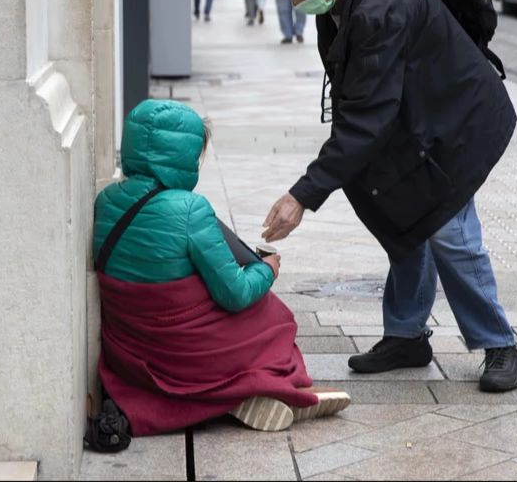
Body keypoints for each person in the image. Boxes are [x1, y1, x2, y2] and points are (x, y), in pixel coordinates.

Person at [261, 0, 517, 393]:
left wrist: (302, 196)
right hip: (415, 112)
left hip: (453, 121)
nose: (297, 7)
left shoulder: (379, 6)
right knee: (406, 221)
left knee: (449, 229)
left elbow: (366, 118)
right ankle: (406, 335)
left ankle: (501, 343)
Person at [93, 99, 350, 436]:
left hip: (133, 348)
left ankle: (235, 395)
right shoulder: (190, 208)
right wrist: (267, 269)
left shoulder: (106, 200)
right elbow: (235, 294)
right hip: (181, 352)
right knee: (274, 317)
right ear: (182, 157)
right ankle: (249, 390)